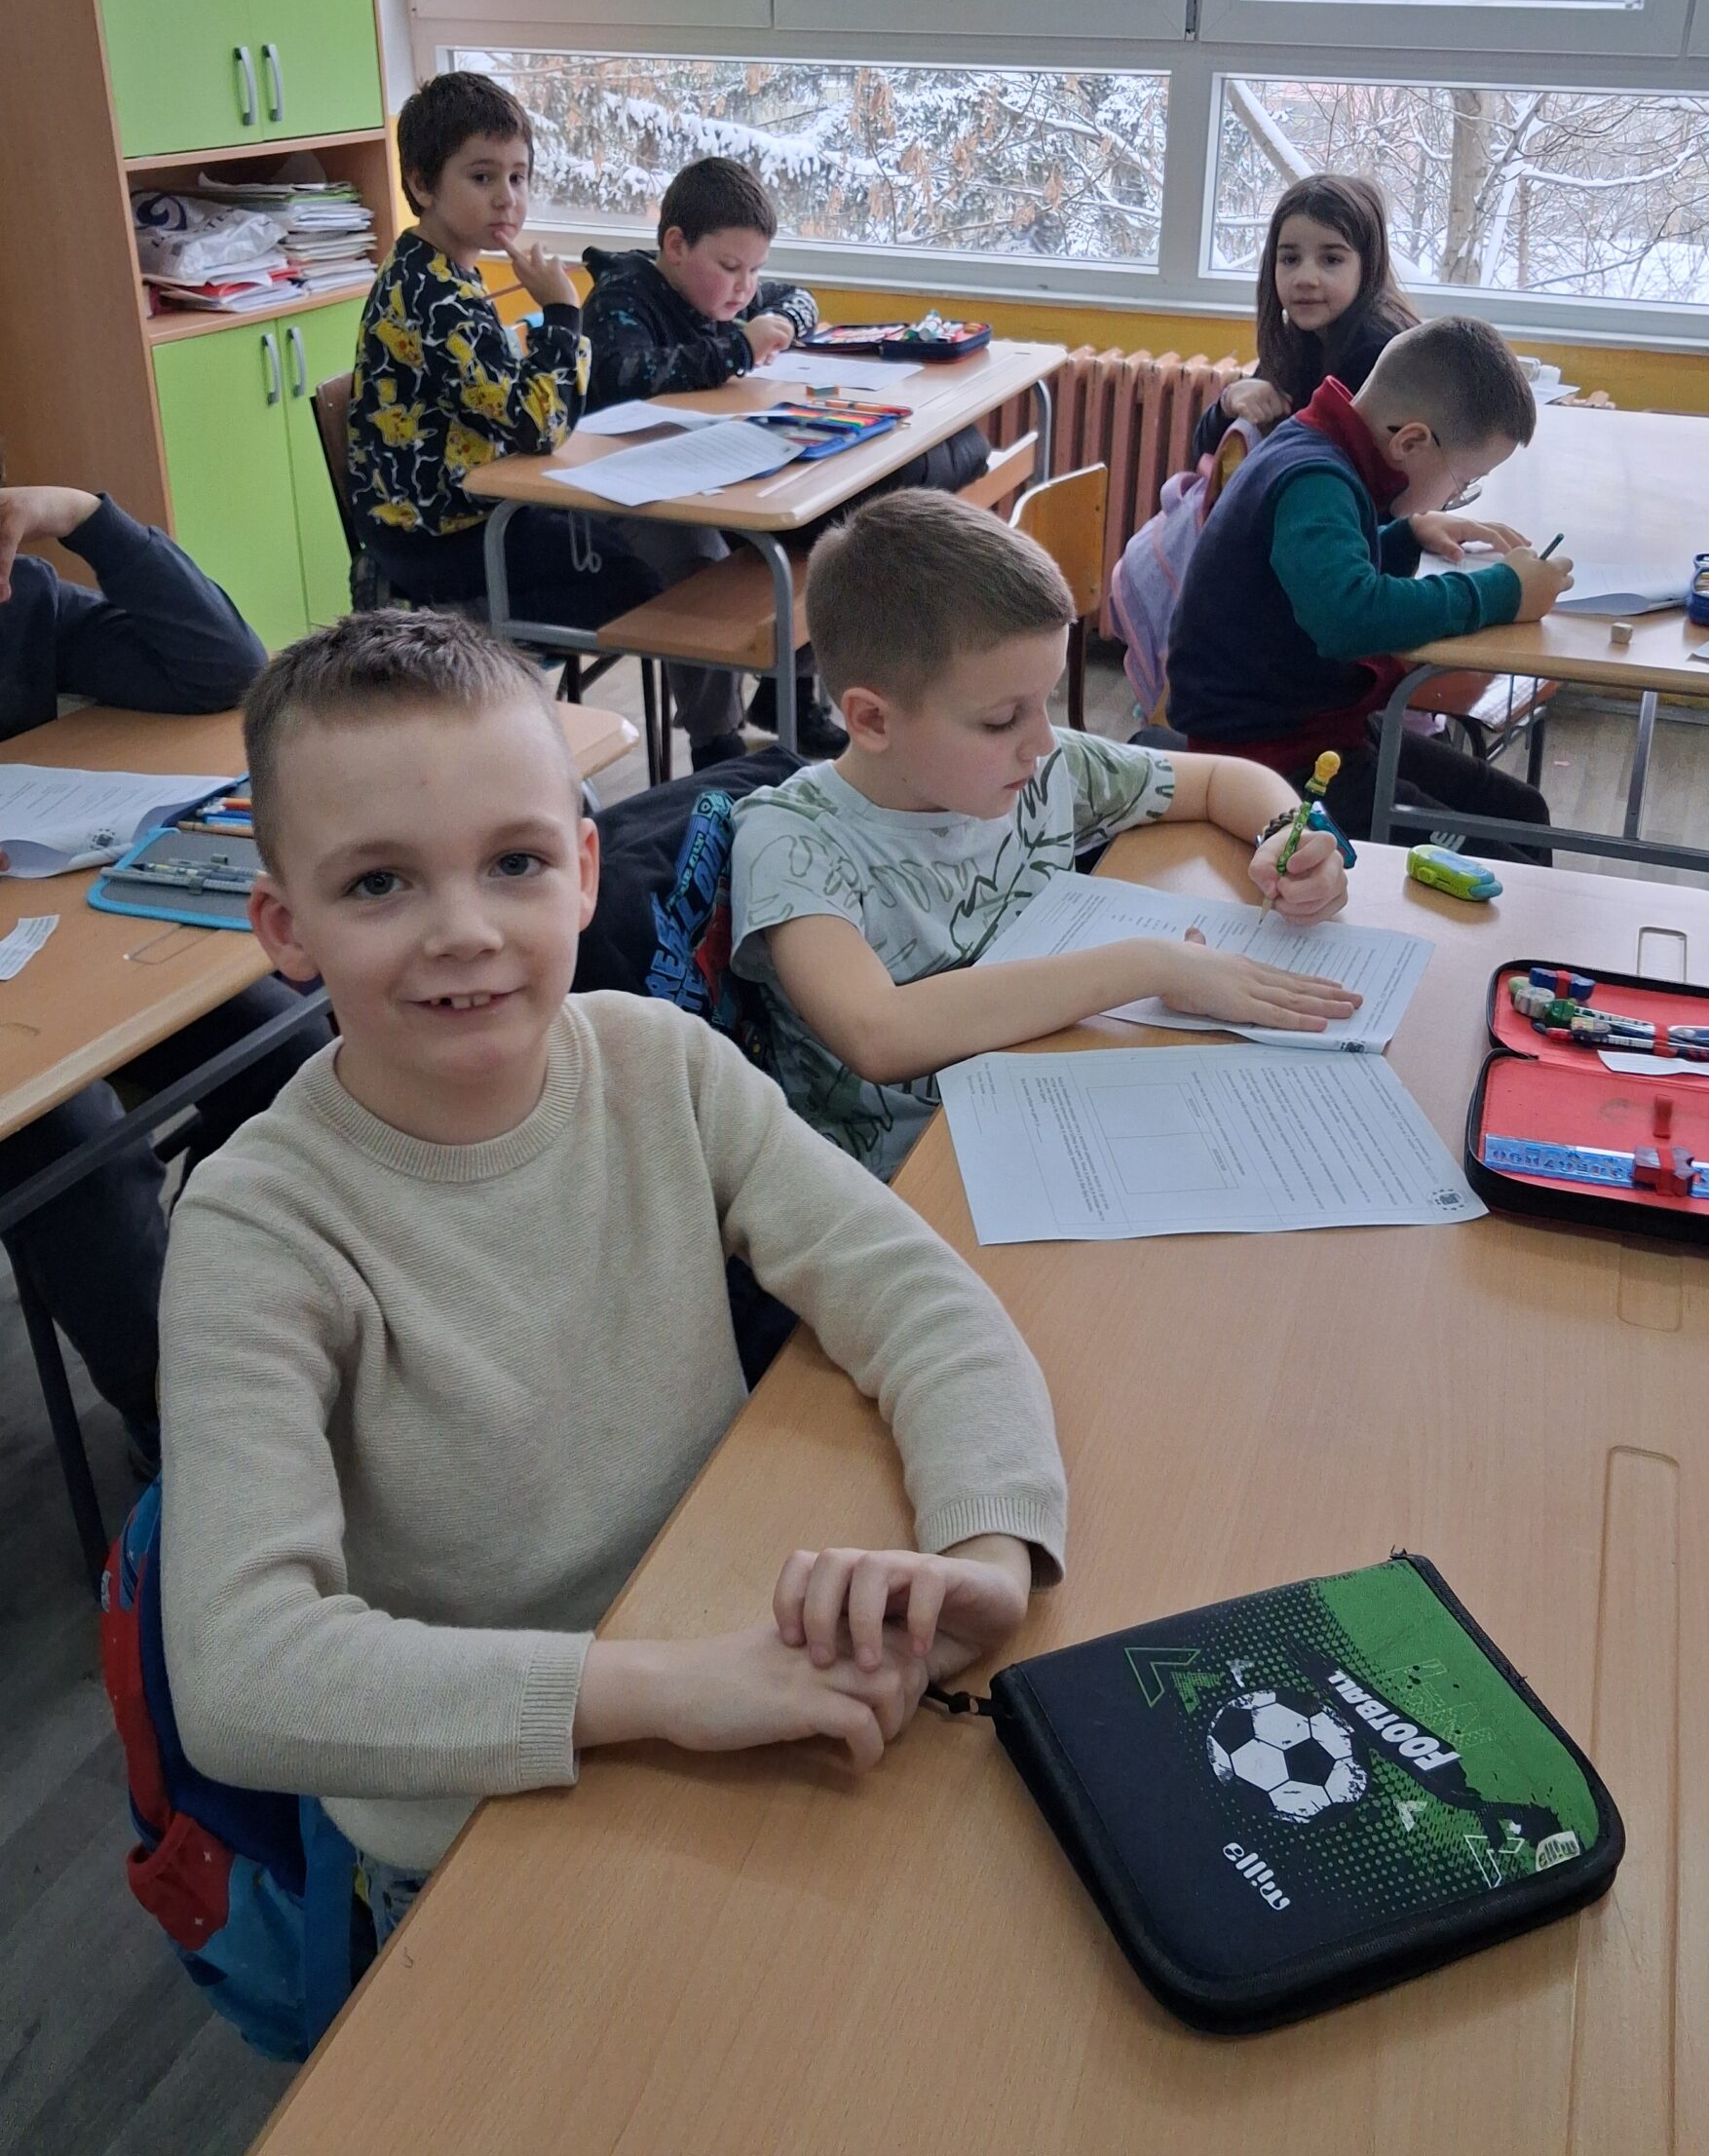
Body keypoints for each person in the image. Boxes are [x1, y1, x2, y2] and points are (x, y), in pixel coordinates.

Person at [158, 610, 1065, 1941]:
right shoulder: (259, 1225)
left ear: (583, 871)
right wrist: (667, 1688)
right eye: (379, 884)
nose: (464, 930)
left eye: (514, 862)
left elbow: (912, 1294)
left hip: (736, 1673)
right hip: (489, 1811)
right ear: (285, 928)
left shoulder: (660, 1065)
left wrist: (985, 1548)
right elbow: (242, 1675)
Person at [729, 491, 1357, 1182]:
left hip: (1049, 1116)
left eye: (1048, 700)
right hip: (904, 1190)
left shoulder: (1043, 769)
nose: (1042, 741)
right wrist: (1154, 966)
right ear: (873, 720)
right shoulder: (790, 840)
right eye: (1002, 719)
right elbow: (879, 1032)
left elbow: (1218, 781)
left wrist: (1288, 835)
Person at [0, 481, 325, 1471]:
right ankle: (178, 1418)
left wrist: (81, 514)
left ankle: (230, 1305)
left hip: (55, 939)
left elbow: (221, 667)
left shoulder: (20, 600)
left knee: (286, 1041)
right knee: (72, 1144)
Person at [348, 72, 746, 772]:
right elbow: (542, 422)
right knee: (657, 573)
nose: (507, 197)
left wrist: (549, 347)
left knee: (671, 540)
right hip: (442, 546)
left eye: (519, 176)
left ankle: (717, 745)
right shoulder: (433, 296)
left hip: (483, 509)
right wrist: (562, 312)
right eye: (482, 177)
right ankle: (707, 752)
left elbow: (520, 407)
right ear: (420, 184)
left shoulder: (444, 272)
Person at [583, 157, 991, 754]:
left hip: (725, 470)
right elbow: (621, 375)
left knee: (829, 525)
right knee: (701, 566)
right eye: (731, 267)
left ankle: (789, 695)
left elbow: (797, 298)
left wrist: (776, 319)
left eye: (755, 269)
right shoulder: (623, 296)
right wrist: (737, 350)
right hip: (640, 491)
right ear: (675, 246)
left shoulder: (729, 295)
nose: (745, 286)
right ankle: (715, 742)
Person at [1165, 317, 1572, 853]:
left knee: (1522, 812)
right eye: (1464, 481)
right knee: (1497, 859)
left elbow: (1310, 568)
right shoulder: (1315, 478)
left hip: (1320, 729)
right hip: (1267, 761)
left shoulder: (1319, 443)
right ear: (1411, 442)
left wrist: (1404, 534)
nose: (1456, 496)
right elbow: (1348, 614)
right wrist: (1504, 592)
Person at [1191, 176, 1419, 468]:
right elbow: (1205, 457)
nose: (1305, 279)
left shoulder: (1378, 353)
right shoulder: (1300, 338)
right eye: (1290, 259)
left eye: (1331, 259)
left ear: (1368, 265)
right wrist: (1228, 404)